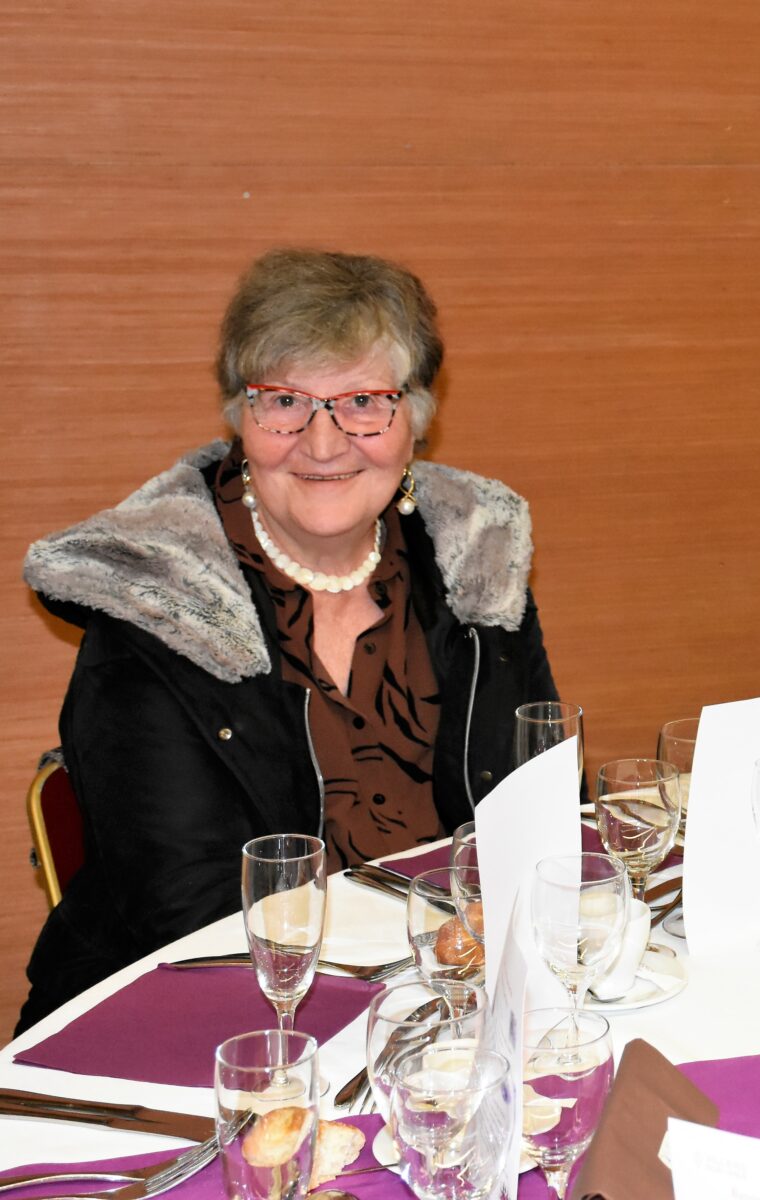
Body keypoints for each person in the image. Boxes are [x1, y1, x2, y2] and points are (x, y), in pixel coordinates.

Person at [18, 249, 559, 1030]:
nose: (324, 444)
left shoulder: (477, 565)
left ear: (416, 418)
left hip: (454, 1000)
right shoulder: (158, 602)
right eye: (284, 403)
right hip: (209, 1022)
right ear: (240, 418)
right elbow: (188, 916)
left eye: (363, 402)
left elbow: (543, 818)